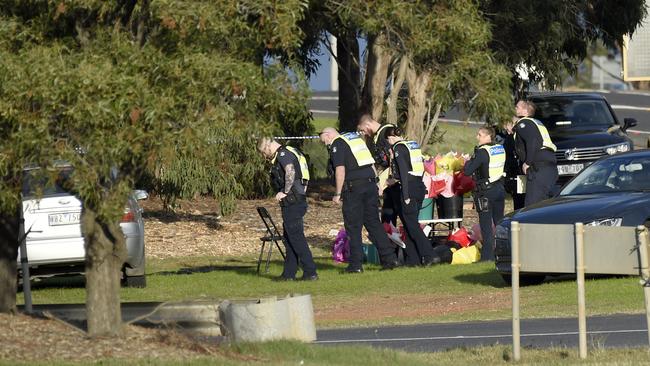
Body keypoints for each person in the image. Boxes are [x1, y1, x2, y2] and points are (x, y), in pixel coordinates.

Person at [319, 127, 401, 272]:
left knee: (353, 226)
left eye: (324, 140)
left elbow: (340, 169)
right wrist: (376, 184)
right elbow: (371, 164)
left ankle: (355, 265)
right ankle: (390, 259)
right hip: (369, 185)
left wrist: (338, 193)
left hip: (354, 188)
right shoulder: (355, 141)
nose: (325, 144)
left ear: (328, 134)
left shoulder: (338, 143)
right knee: (374, 223)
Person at [258, 138, 318, 281]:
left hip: (293, 202)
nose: (264, 156)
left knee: (296, 238)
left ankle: (310, 272)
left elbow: (290, 171)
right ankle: (289, 274)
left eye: (263, 152)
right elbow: (304, 176)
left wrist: (285, 192)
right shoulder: (292, 151)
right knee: (290, 238)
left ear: (268, 146)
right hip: (296, 200)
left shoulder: (283, 154)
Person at [384, 127, 436, 266]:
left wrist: (405, 195)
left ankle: (429, 254)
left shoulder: (398, 148)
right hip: (419, 187)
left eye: (388, 140)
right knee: (408, 226)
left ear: (391, 138)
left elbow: (404, 173)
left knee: (412, 226)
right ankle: (413, 260)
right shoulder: (412, 145)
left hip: (409, 190)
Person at [463, 126, 506, 261]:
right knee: (499, 223)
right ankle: (503, 252)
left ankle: (487, 257)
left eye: (480, 135)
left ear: (488, 137)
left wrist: (468, 160)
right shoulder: (500, 148)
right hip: (499, 188)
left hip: (486, 192)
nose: (477, 137)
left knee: (486, 226)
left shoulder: (482, 152)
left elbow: (468, 171)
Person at [513, 100, 558, 206]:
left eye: (517, 107)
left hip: (538, 167)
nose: (515, 108)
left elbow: (533, 141)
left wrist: (527, 162)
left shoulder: (524, 123)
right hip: (549, 165)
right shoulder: (537, 123)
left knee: (532, 205)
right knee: (545, 203)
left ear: (525, 111)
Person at [357, 114, 399, 225]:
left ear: (368, 124)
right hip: (389, 179)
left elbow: (393, 159)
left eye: (363, 130)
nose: (364, 133)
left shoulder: (386, 133)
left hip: (393, 180)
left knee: (394, 213)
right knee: (388, 212)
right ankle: (389, 237)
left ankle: (391, 237)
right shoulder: (379, 134)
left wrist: (383, 181)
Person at [496, 117, 525, 210]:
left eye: (507, 129)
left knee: (522, 198)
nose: (508, 132)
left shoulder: (519, 137)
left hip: (520, 172)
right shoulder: (510, 137)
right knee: (517, 199)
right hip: (514, 173)